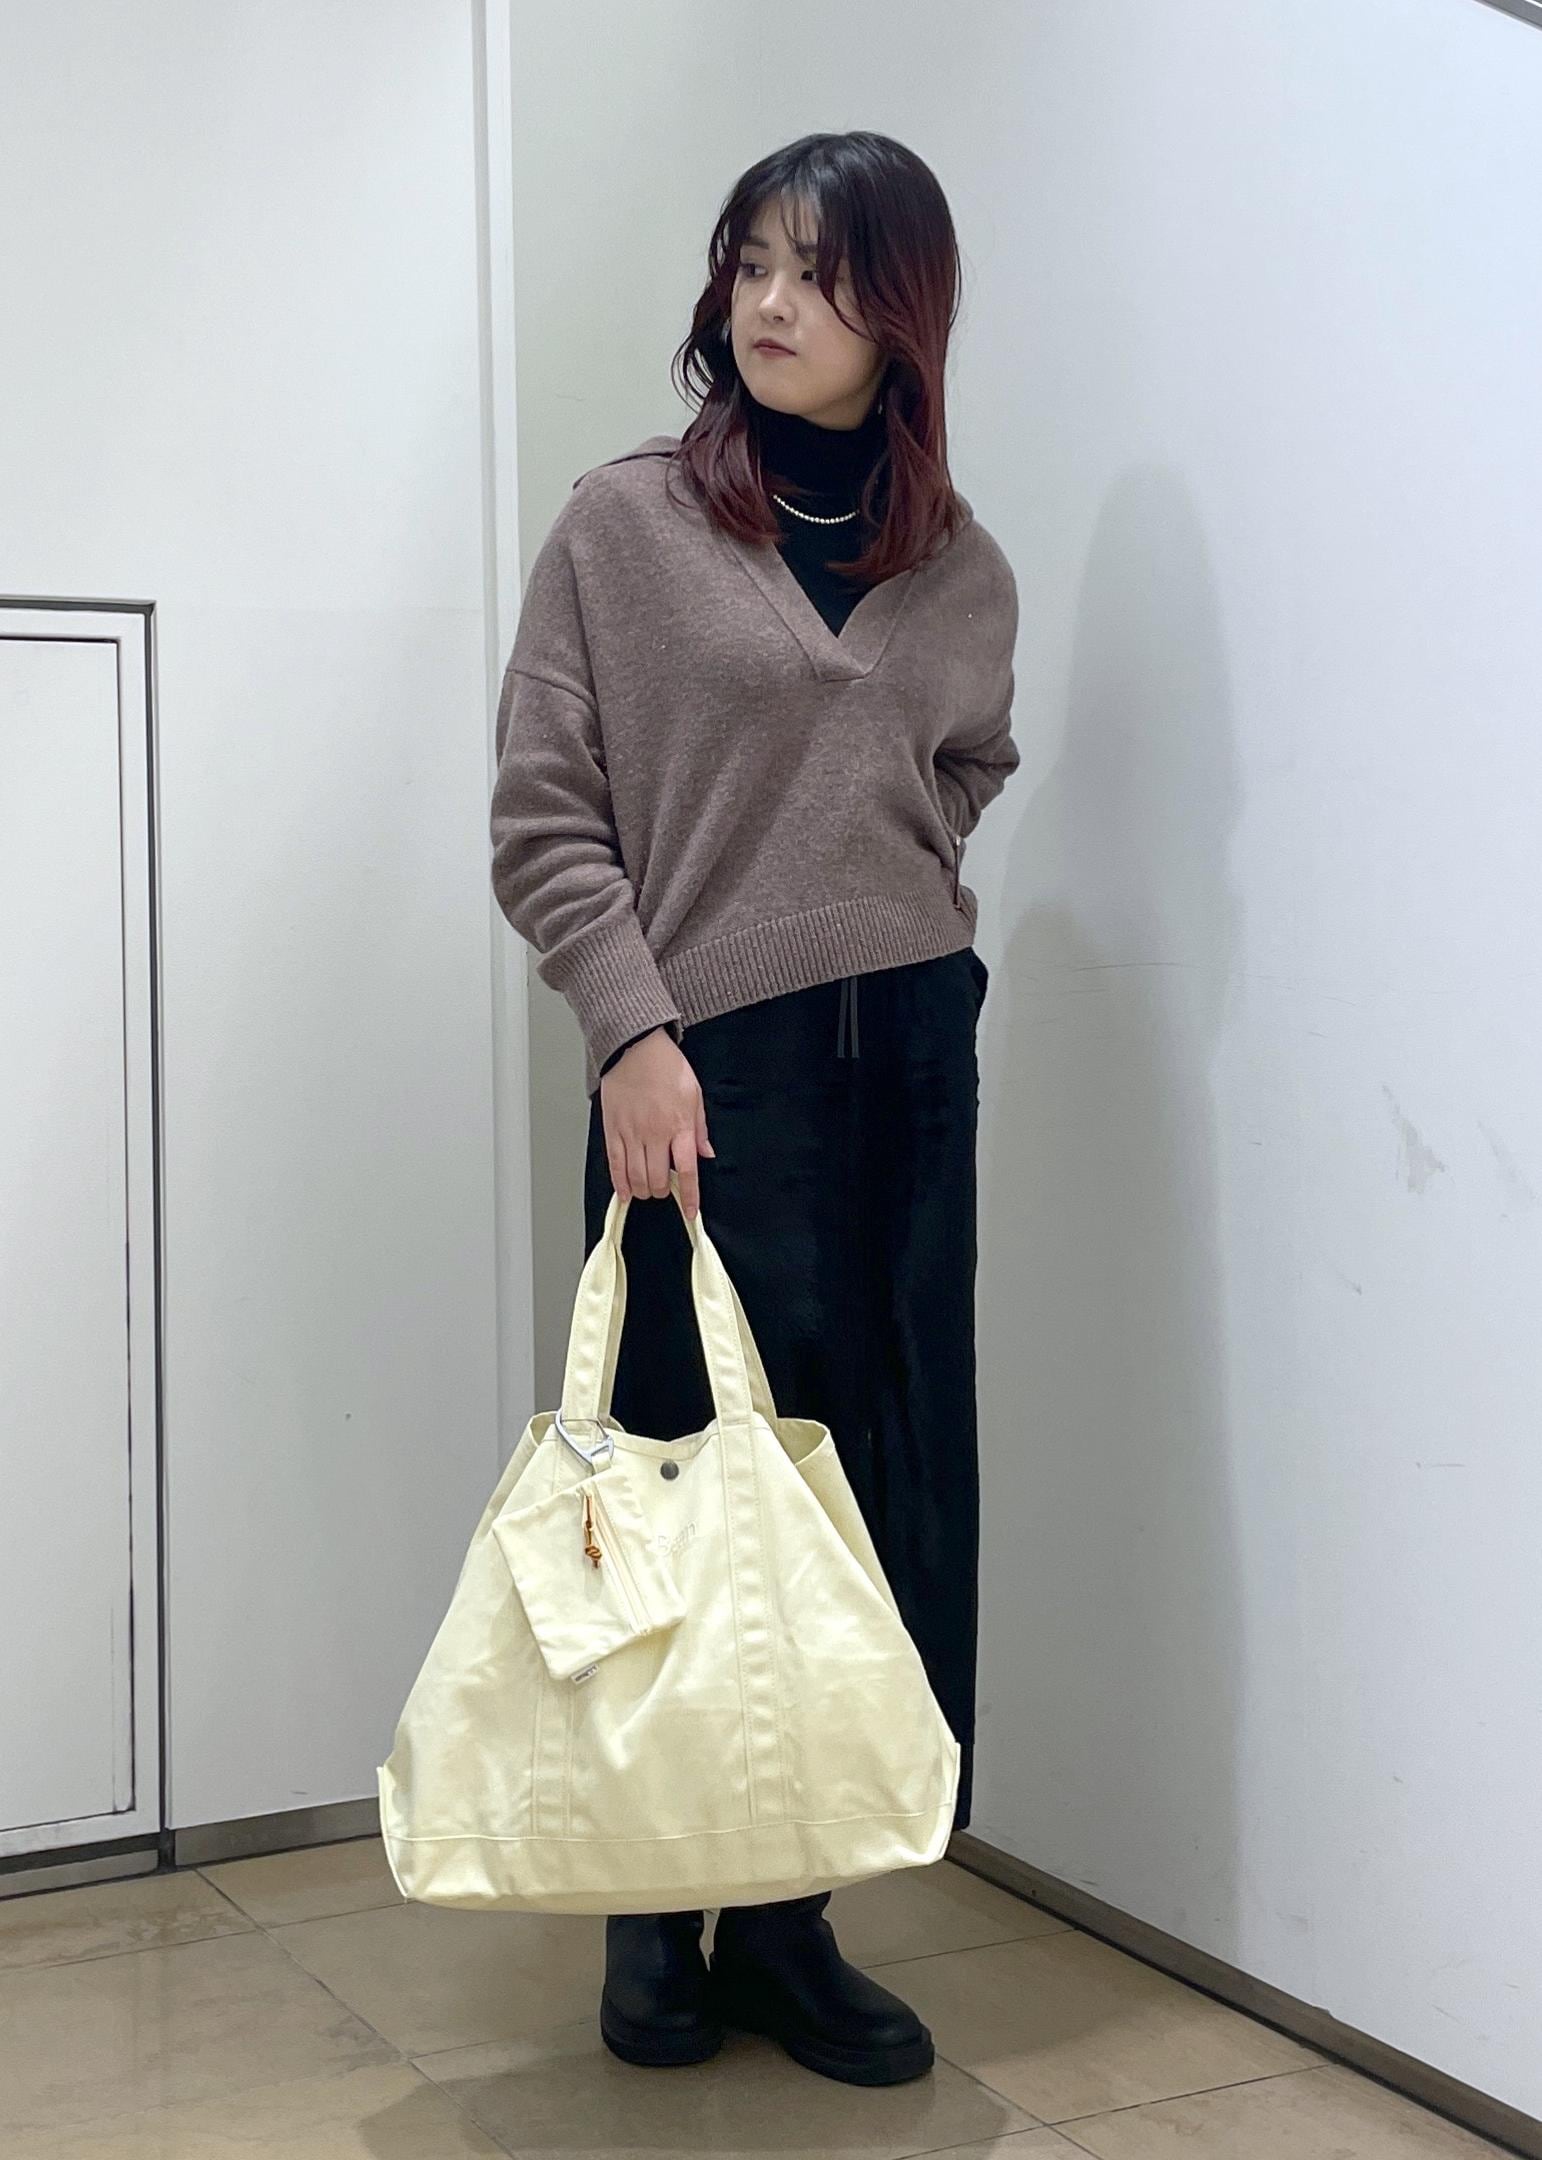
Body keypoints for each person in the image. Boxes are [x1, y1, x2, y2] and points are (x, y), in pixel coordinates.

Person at [488, 131, 1020, 2089]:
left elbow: (968, 766)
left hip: (913, 1076)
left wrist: (891, 902)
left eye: (821, 269)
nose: (774, 302)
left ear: (906, 310)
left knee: (861, 1498)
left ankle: (789, 1920)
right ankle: (653, 1916)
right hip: (703, 1080)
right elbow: (544, 815)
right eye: (752, 263)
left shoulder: (959, 568)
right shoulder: (623, 527)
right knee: (669, 1488)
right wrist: (633, 1029)